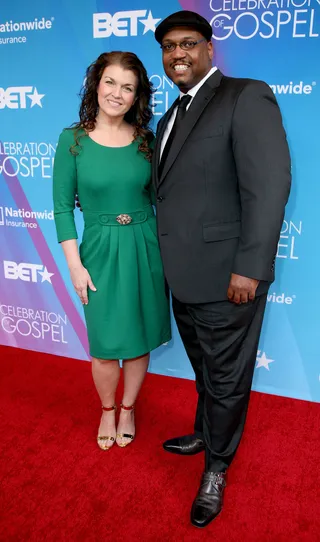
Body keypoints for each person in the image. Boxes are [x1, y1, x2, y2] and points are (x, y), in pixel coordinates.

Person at [153, 11, 291, 528]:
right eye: (168, 47)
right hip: (183, 276)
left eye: (187, 43)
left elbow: (269, 185)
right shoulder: (168, 119)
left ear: (210, 48)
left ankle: (217, 468)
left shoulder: (245, 95)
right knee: (207, 370)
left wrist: (250, 269)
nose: (177, 55)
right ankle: (205, 432)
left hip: (230, 278)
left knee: (228, 378)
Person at [53, 52, 171, 452]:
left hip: (145, 246)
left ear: (137, 95)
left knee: (138, 340)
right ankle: (107, 408)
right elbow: (62, 207)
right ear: (95, 84)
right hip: (99, 251)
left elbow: (160, 198)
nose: (116, 94)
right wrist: (74, 265)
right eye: (110, 82)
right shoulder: (72, 140)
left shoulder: (145, 141)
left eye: (127, 87)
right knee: (105, 346)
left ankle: (128, 407)